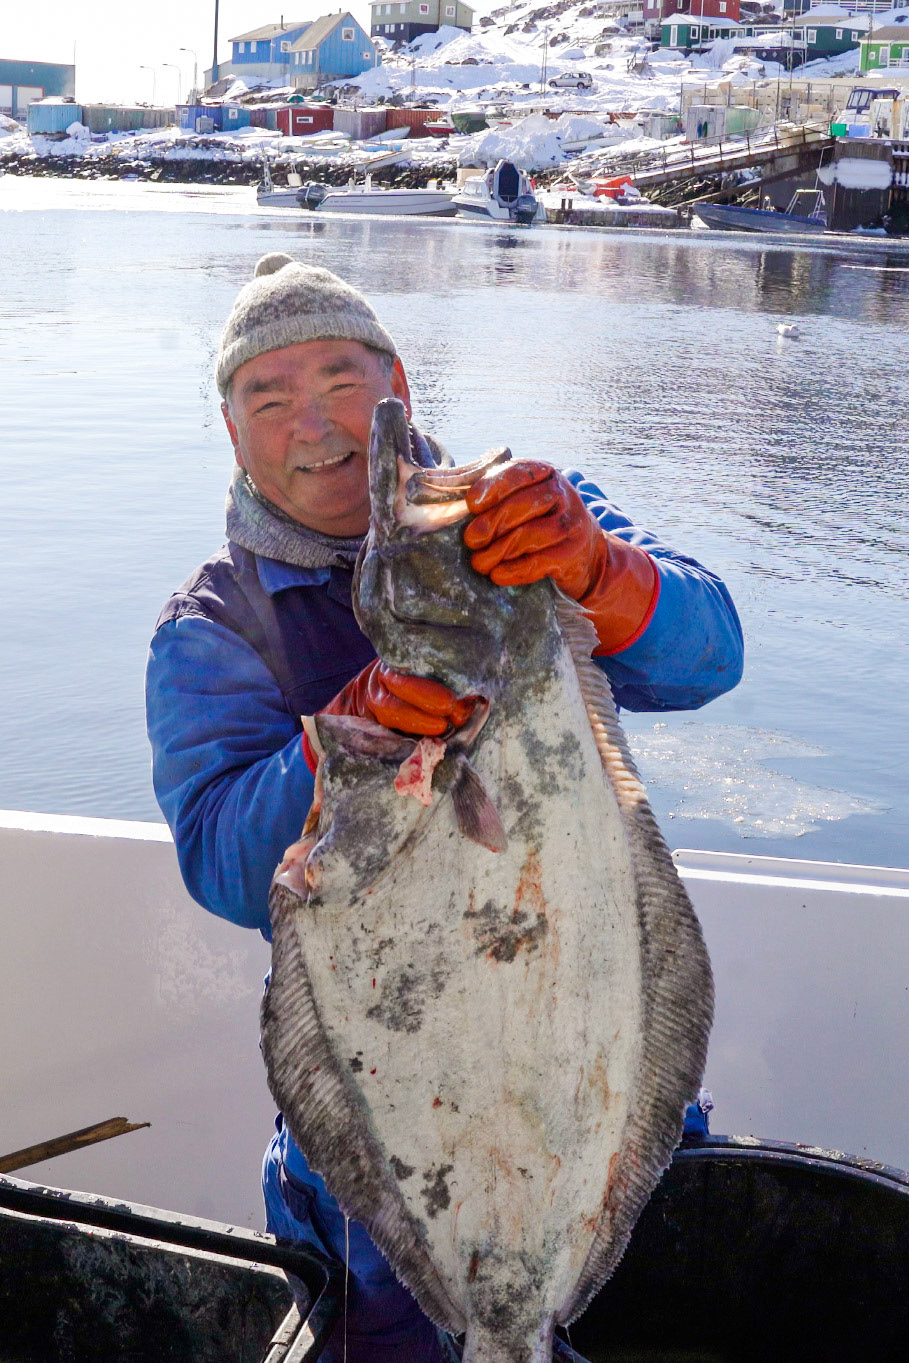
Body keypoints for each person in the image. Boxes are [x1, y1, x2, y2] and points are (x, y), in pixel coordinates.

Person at [146, 253, 744, 1361]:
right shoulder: (213, 626)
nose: (314, 423)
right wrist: (347, 741)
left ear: (400, 387)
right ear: (232, 432)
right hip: (396, 1102)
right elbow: (224, 863)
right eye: (269, 399)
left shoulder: (525, 518)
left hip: (596, 1046)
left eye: (341, 380)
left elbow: (709, 656)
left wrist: (598, 568)